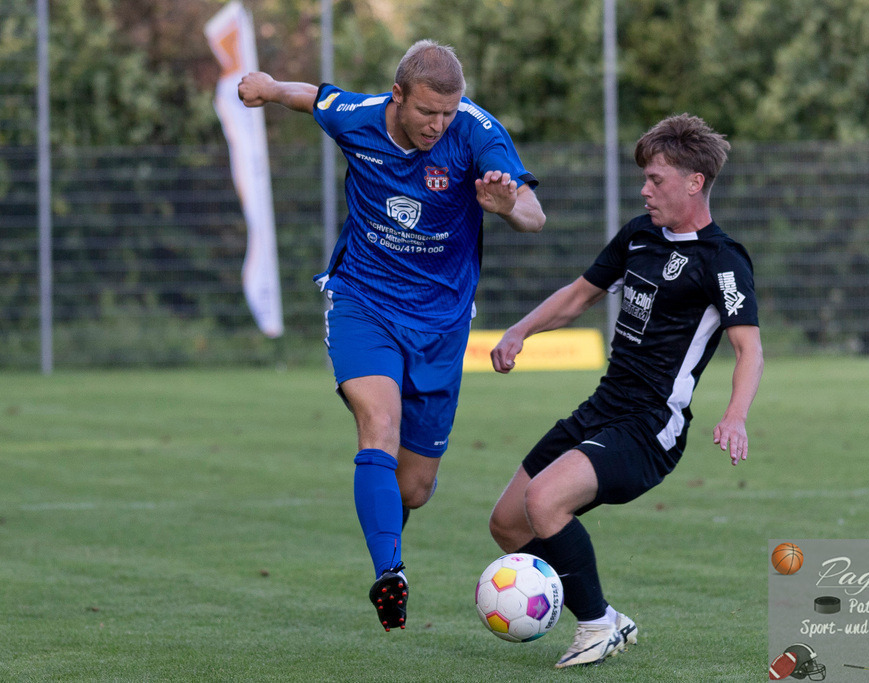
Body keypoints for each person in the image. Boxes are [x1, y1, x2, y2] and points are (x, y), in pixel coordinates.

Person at [238, 40, 545, 633]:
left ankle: (384, 522)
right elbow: (316, 98)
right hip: (363, 302)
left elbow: (533, 211)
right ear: (398, 96)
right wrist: (271, 88)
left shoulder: (476, 132)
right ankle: (390, 576)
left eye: (448, 113)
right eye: (427, 112)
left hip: (441, 325)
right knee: (378, 422)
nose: (438, 125)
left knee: (416, 487)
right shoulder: (362, 117)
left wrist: (508, 206)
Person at [488, 113, 762, 668]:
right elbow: (577, 295)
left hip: (650, 428)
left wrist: (735, 416)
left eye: (656, 179)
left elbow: (749, 349)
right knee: (508, 523)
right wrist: (520, 330)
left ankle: (593, 627)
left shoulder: (723, 260)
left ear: (694, 182)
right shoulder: (638, 235)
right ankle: (608, 617)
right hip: (604, 407)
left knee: (544, 501)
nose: (645, 189)